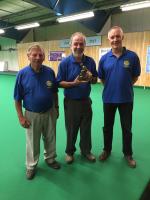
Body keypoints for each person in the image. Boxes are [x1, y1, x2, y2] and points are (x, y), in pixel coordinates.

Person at [14, 44, 61, 180]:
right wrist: (21, 117)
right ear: (28, 56)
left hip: (49, 111)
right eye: (34, 55)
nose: (37, 57)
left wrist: (56, 108)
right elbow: (17, 99)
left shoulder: (49, 72)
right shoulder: (22, 74)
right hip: (31, 114)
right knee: (32, 142)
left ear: (44, 57)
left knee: (51, 137)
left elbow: (54, 92)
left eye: (40, 55)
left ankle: (50, 159)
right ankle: (31, 166)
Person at [98, 26, 141, 168]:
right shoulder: (104, 59)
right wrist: (112, 87)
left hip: (126, 99)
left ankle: (128, 154)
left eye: (118, 36)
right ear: (108, 39)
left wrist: (124, 86)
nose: (115, 39)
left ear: (122, 37)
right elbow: (103, 79)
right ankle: (106, 150)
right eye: (112, 37)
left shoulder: (132, 56)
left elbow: (135, 76)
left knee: (127, 128)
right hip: (109, 99)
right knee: (107, 127)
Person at [57, 32, 98, 164]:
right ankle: (69, 152)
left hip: (86, 101)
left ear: (85, 45)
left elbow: (95, 80)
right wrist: (73, 84)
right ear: (71, 45)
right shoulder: (64, 63)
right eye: (76, 43)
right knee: (71, 129)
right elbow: (59, 82)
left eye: (81, 44)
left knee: (86, 128)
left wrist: (91, 77)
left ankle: (86, 151)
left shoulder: (90, 61)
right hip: (71, 102)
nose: (78, 46)